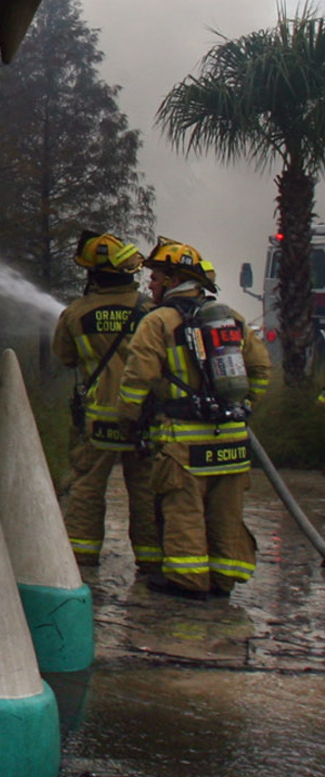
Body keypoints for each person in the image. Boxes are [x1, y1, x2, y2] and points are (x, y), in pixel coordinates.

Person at [116, 238, 271, 598]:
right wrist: (245, 406)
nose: (150, 284)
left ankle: (187, 581)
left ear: (172, 280)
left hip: (183, 439)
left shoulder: (157, 322)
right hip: (232, 437)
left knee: (182, 508)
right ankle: (223, 579)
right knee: (225, 512)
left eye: (154, 277)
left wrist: (130, 420)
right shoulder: (229, 318)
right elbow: (261, 367)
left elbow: (136, 381)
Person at [54, 232, 157, 573]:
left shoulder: (75, 313)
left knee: (87, 486)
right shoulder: (151, 312)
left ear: (94, 275)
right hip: (143, 418)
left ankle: (81, 556)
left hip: (98, 420)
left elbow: (66, 358)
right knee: (145, 488)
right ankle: (151, 558)